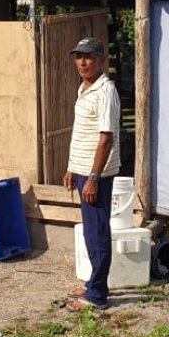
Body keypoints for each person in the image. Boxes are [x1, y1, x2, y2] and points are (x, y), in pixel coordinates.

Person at [62, 37, 121, 311]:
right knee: (90, 232)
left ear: (101, 60)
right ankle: (92, 284)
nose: (82, 62)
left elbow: (105, 139)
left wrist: (94, 178)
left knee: (98, 234)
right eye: (78, 57)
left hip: (97, 175)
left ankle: (97, 295)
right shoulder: (85, 88)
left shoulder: (106, 91)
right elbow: (83, 133)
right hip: (84, 171)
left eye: (88, 57)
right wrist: (72, 167)